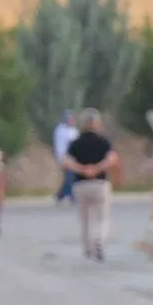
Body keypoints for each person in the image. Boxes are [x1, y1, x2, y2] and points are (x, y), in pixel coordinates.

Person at [62, 109, 119, 261]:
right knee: (102, 217)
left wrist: (83, 169)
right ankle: (99, 242)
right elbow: (112, 159)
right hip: (100, 183)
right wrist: (97, 168)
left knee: (85, 218)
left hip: (81, 184)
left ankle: (87, 248)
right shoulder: (104, 142)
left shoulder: (75, 143)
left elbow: (66, 161)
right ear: (98, 123)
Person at [52, 111, 80, 203]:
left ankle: (61, 195)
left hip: (74, 157)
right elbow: (60, 146)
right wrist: (62, 158)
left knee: (71, 177)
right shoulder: (61, 130)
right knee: (70, 176)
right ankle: (69, 195)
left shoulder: (73, 130)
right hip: (65, 157)